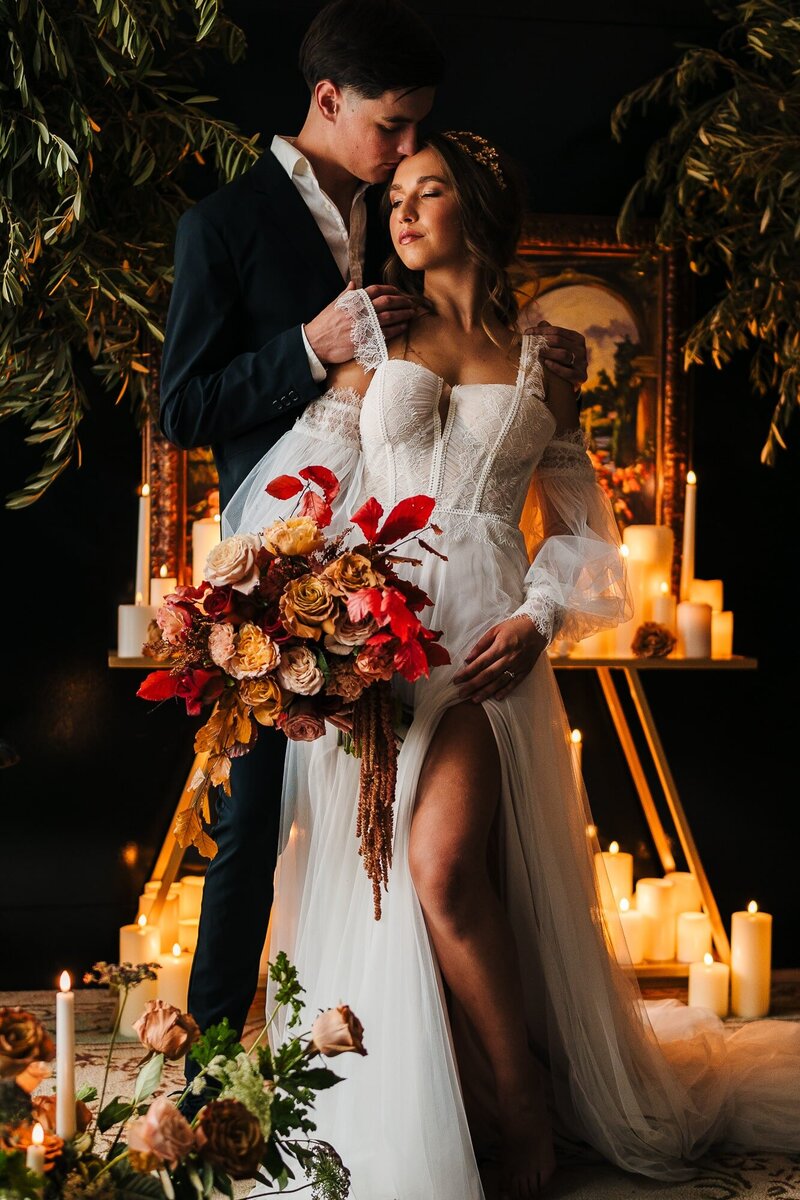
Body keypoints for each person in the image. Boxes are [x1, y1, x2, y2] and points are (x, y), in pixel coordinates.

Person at [224, 131, 800, 1200]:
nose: (400, 211)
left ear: (478, 212)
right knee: (404, 891)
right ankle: (473, 1099)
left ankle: (525, 1107)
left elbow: (581, 519)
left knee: (443, 870)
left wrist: (539, 614)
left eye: (426, 191)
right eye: (393, 195)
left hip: (486, 645)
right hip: (378, 650)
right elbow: (300, 488)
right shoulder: (376, 340)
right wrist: (297, 613)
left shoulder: (544, 355)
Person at [158, 0, 588, 1106]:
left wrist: (541, 607)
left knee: (438, 864)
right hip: (311, 583)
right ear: (328, 101)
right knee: (260, 830)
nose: (402, 162)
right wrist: (311, 349)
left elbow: (557, 489)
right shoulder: (226, 225)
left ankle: (478, 1084)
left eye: (420, 153)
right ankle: (214, 1081)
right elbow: (185, 410)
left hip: (454, 605)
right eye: (392, 133)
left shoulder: (482, 295)